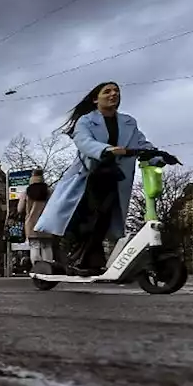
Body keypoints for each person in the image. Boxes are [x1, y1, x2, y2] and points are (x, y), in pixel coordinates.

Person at [34, 82, 152, 274]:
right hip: (90, 176)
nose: (114, 94)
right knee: (89, 217)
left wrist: (157, 155)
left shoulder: (129, 122)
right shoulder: (86, 121)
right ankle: (76, 257)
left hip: (115, 177)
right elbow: (84, 141)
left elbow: (141, 143)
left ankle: (90, 260)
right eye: (108, 91)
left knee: (104, 219)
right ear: (96, 99)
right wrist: (105, 150)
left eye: (117, 91)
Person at [16, 170, 55, 268]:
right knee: (47, 247)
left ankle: (38, 269)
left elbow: (20, 209)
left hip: (31, 224)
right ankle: (48, 269)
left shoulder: (26, 192)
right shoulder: (49, 191)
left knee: (34, 247)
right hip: (47, 223)